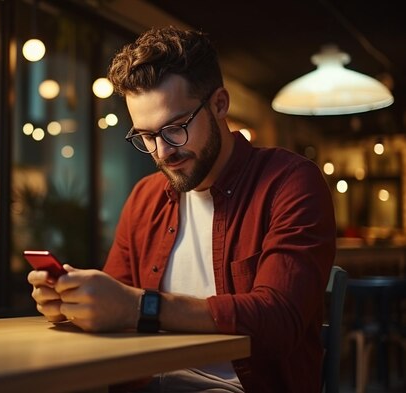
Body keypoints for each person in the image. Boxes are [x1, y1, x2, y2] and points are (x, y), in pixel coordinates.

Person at [28, 26, 336, 393]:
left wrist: (137, 307)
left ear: (220, 104)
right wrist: (76, 304)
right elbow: (119, 304)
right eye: (145, 135)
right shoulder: (145, 198)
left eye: (175, 128)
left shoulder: (290, 182)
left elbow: (278, 320)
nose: (161, 151)